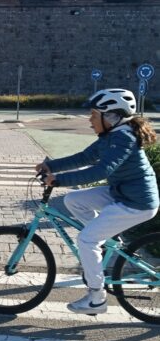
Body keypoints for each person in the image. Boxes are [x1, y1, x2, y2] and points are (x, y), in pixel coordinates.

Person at [35, 88, 159, 315]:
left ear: (111, 116)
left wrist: (59, 180)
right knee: (74, 200)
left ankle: (96, 298)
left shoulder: (123, 138)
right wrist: (51, 166)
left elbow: (101, 171)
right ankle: (104, 242)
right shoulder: (111, 136)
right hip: (121, 192)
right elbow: (84, 157)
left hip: (136, 203)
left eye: (94, 114)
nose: (90, 120)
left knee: (86, 240)